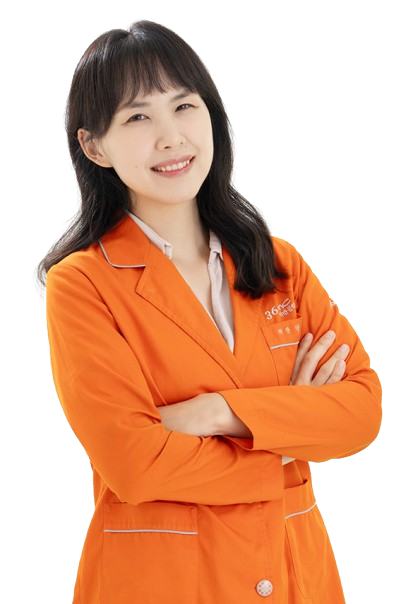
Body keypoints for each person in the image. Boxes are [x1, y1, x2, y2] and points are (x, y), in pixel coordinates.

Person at [33, 18, 382, 604]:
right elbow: (135, 464)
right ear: (94, 146)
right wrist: (289, 434)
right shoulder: (83, 285)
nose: (171, 138)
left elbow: (362, 411)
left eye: (184, 106)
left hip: (295, 577)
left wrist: (219, 413)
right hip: (161, 585)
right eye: (138, 117)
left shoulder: (277, 264)